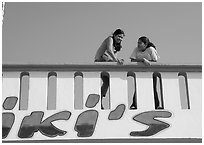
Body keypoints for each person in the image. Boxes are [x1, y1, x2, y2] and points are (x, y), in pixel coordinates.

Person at [95, 29, 125, 109]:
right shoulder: (110, 39)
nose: (120, 39)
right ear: (115, 35)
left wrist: (117, 60)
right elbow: (109, 50)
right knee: (112, 79)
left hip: (108, 61)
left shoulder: (117, 44)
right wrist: (116, 61)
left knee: (107, 82)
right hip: (101, 59)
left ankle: (100, 101)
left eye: (122, 38)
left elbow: (114, 55)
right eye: (119, 36)